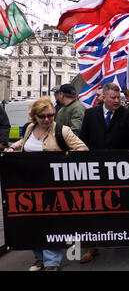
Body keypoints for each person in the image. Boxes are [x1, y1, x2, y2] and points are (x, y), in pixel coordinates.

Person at [7, 97, 88, 271]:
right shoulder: (29, 128)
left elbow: (83, 150)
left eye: (50, 115)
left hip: (53, 188)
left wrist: (61, 162)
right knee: (33, 223)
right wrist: (13, 147)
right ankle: (39, 258)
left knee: (51, 223)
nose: (47, 120)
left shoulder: (62, 131)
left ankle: (52, 262)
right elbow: (25, 143)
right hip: (29, 186)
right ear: (34, 116)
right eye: (42, 116)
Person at [78, 83, 129, 263]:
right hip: (95, 171)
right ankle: (92, 247)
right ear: (104, 98)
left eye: (119, 98)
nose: (117, 101)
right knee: (93, 208)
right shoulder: (90, 114)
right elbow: (82, 141)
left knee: (120, 206)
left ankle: (120, 236)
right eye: (114, 98)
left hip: (121, 171)